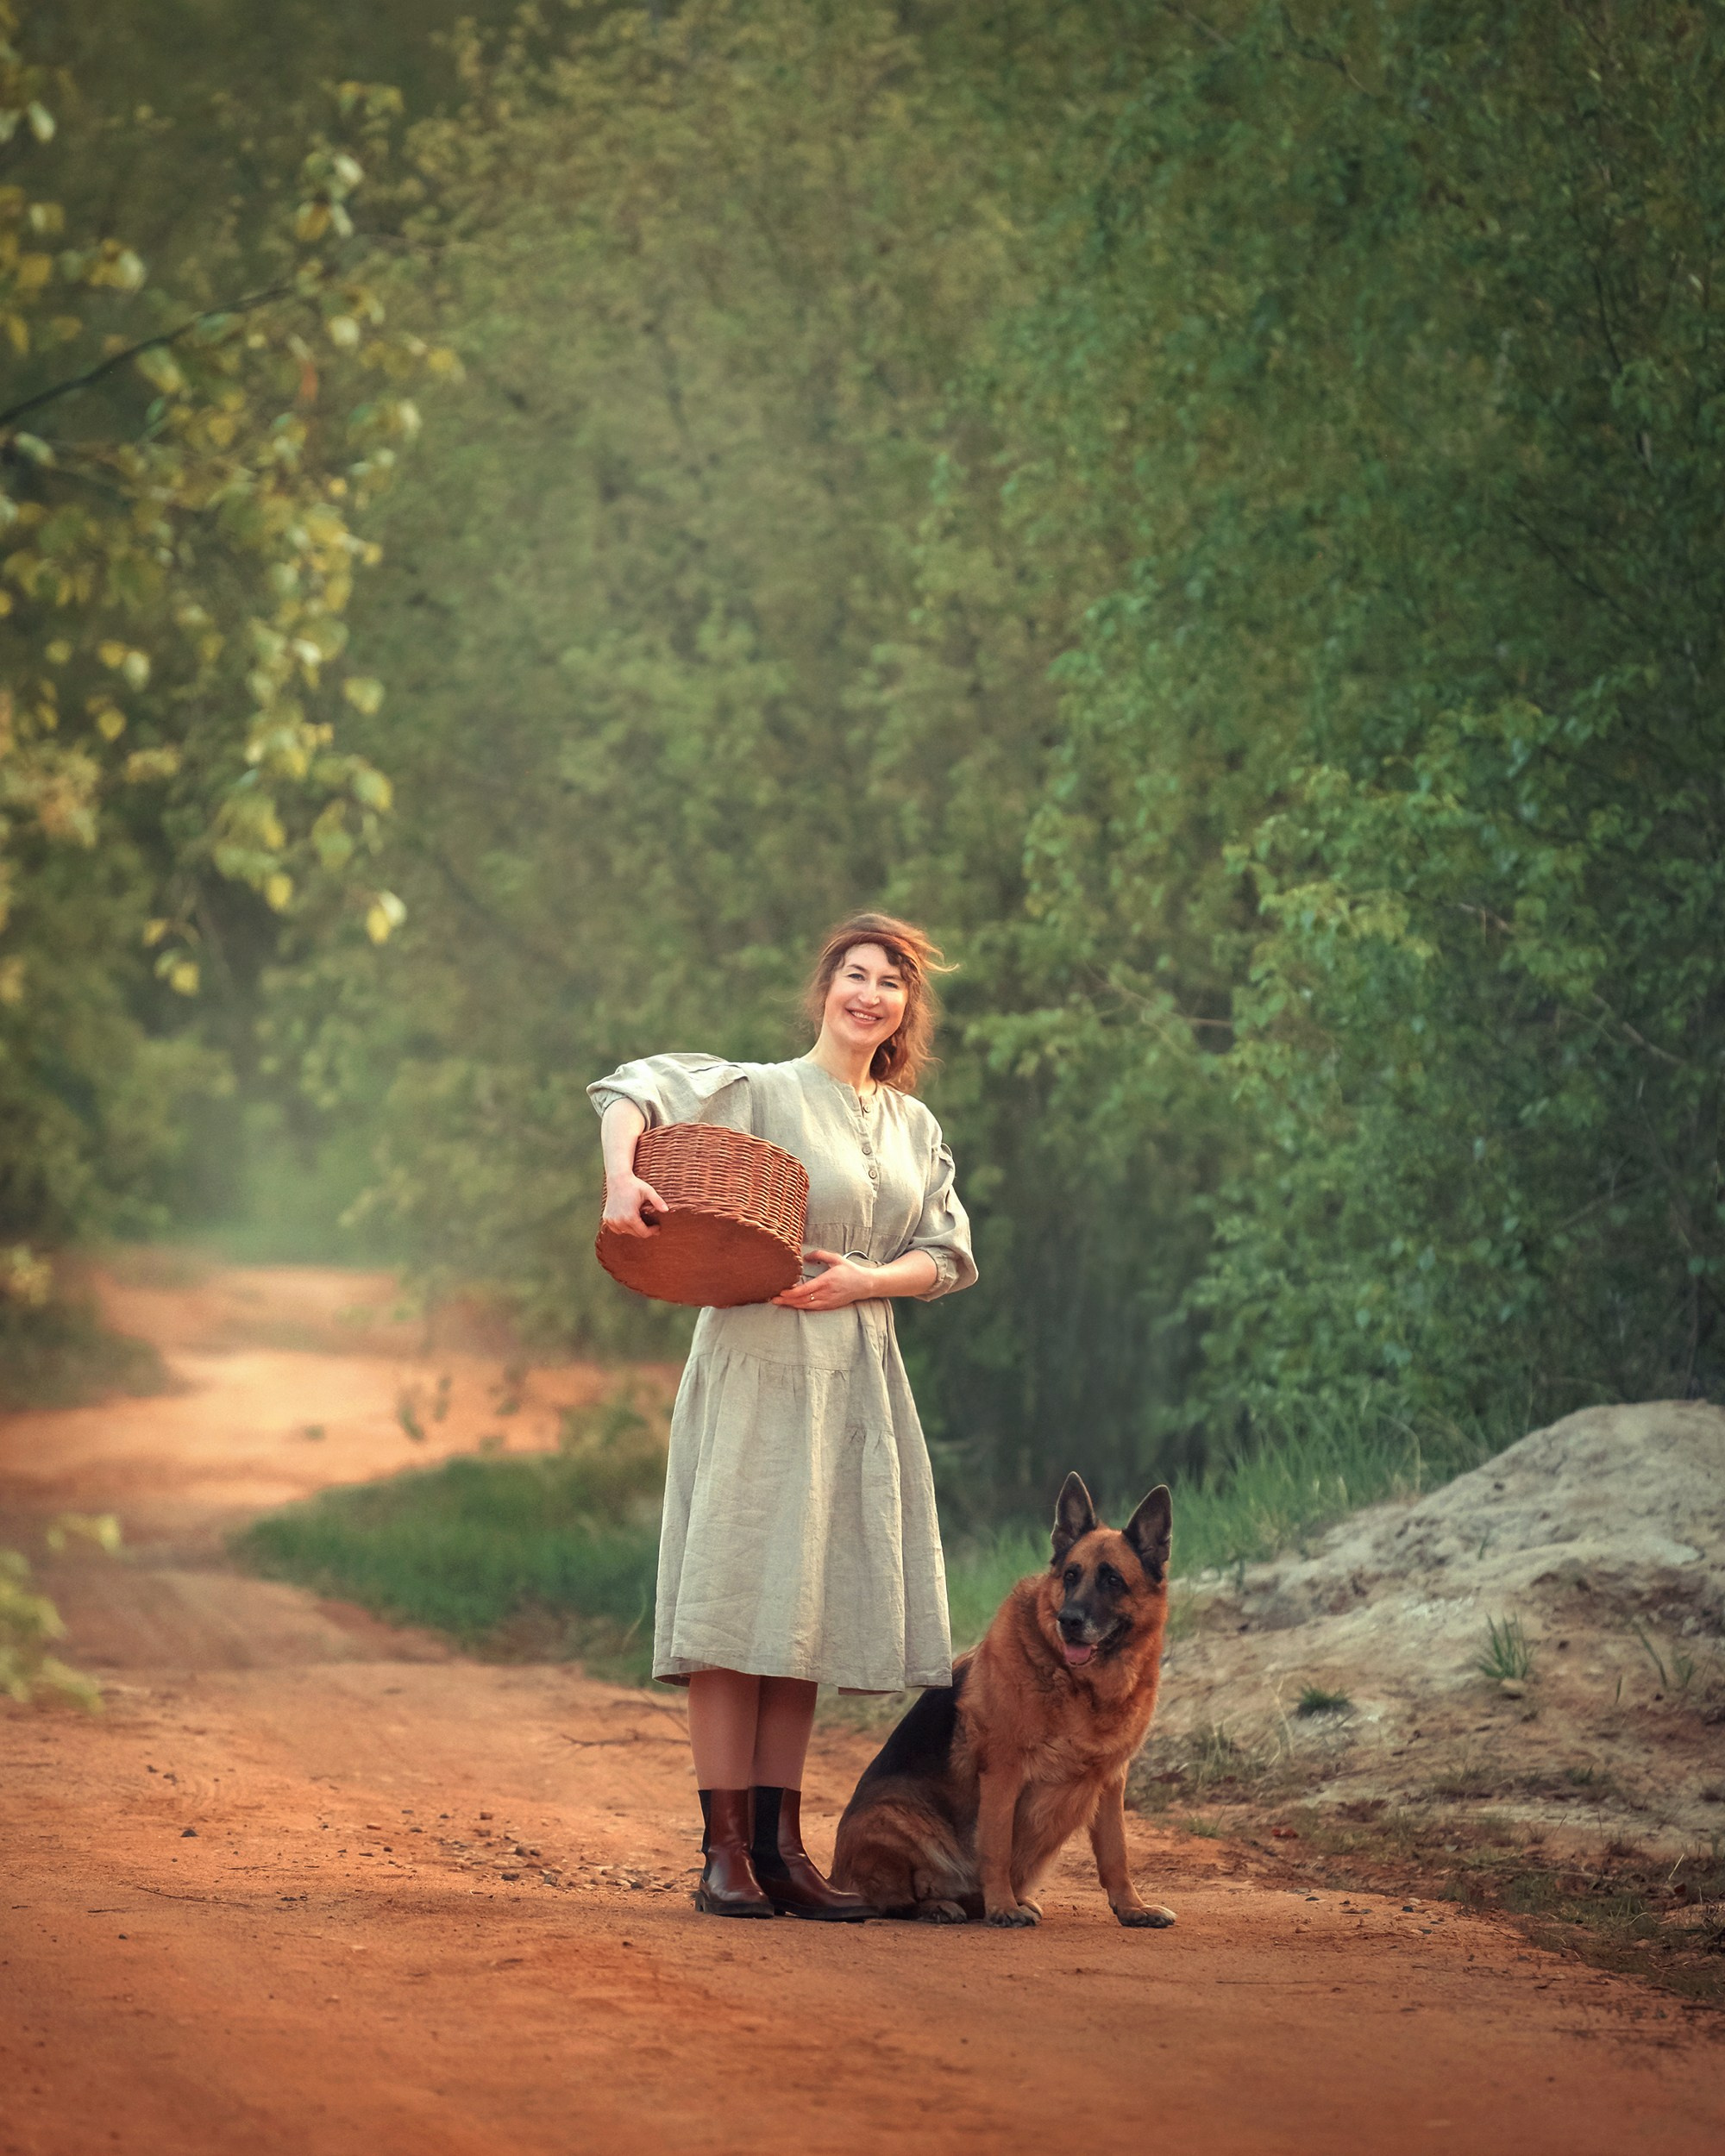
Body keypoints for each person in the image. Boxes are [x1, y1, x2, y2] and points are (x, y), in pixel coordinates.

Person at [589, 912, 977, 1920]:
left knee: (798, 1607)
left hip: (855, 1376)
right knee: (735, 1607)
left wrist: (864, 1280)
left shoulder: (913, 1125)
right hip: (755, 1365)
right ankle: (723, 1852)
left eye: (890, 981)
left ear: (905, 1007)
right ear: (825, 988)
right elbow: (628, 1088)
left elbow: (947, 1256)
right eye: (855, 974)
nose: (870, 994)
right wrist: (622, 1179)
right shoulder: (761, 1090)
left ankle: (781, 1850)